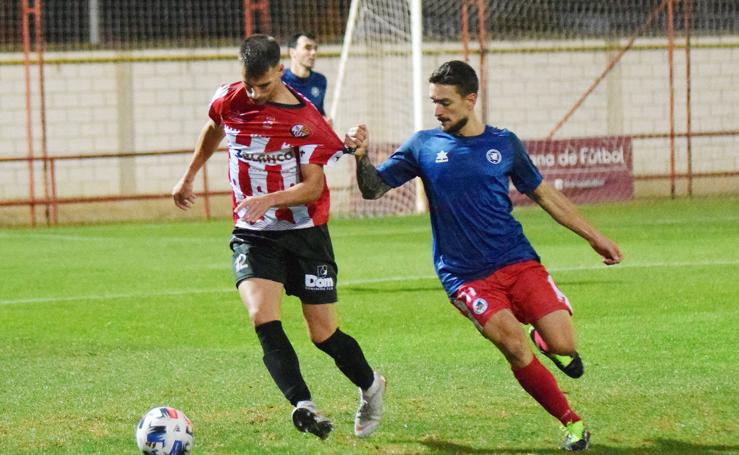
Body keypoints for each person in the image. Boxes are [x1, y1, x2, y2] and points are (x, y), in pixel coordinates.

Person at [345, 60, 622, 451]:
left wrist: (595, 237)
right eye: (433, 102)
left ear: (470, 99)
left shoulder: (504, 143)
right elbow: (373, 189)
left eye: (445, 102)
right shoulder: (423, 145)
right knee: (513, 345)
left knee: (563, 344)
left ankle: (547, 344)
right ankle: (571, 423)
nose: (437, 111)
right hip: (464, 275)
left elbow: (545, 195)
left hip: (517, 260)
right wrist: (361, 156)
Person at [172, 34, 385, 440]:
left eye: (264, 85)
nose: (254, 93)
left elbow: (313, 188)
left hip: (305, 233)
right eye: (249, 84)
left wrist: (268, 199)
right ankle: (304, 405)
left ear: (281, 73)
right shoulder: (230, 98)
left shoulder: (305, 120)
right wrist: (189, 174)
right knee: (261, 317)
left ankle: (372, 386)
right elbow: (214, 127)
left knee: (322, 333)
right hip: (254, 234)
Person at [282, 32, 331, 125]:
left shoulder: (320, 80)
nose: (313, 52)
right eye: (307, 48)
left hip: (311, 137)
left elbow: (319, 111)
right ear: (292, 52)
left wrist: (325, 122)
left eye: (315, 48)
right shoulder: (280, 80)